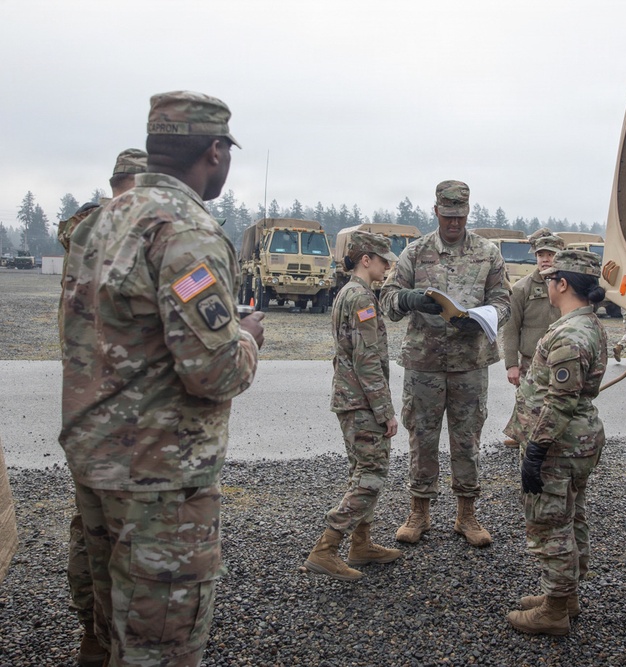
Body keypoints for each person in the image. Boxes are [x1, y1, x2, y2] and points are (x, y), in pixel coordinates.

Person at [60, 91, 265, 666]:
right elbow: (214, 369)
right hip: (159, 479)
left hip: (95, 460)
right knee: (158, 648)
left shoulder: (99, 224)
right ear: (216, 151)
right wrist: (248, 337)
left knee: (105, 632)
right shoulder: (186, 231)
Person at [380, 180, 511, 547]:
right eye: (448, 216)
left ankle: (466, 514)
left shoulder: (488, 253)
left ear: (469, 213)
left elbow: (505, 301)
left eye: (460, 216)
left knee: (467, 438)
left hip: (470, 361)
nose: (454, 223)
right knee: (421, 436)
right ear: (436, 211)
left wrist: (486, 317)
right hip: (425, 362)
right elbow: (387, 299)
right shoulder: (416, 252)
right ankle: (418, 511)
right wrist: (409, 299)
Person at [59, 148, 147, 667]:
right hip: (129, 415)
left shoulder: (82, 235)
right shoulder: (134, 236)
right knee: (130, 534)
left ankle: (92, 634)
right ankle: (125, 640)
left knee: (87, 528)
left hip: (81, 408)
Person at [505, 249, 608, 636]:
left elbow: (560, 401)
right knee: (572, 514)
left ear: (562, 283)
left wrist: (536, 450)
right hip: (576, 442)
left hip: (559, 446)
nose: (546, 284)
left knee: (551, 523)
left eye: (550, 279)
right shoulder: (587, 324)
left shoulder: (570, 333)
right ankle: (567, 596)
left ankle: (553, 611)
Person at [304, 230, 403, 581]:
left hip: (351, 398)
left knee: (361, 470)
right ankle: (326, 548)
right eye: (383, 259)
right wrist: (385, 411)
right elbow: (366, 359)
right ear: (366, 259)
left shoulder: (348, 293)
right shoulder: (360, 297)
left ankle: (361, 544)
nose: (388, 265)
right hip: (361, 401)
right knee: (371, 475)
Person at [501, 228, 566, 447]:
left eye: (551, 254)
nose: (546, 259)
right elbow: (510, 328)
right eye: (541, 255)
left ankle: (559, 438)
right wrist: (511, 364)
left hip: (564, 357)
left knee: (562, 400)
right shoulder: (522, 288)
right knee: (527, 399)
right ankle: (521, 435)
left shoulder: (570, 286)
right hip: (532, 359)